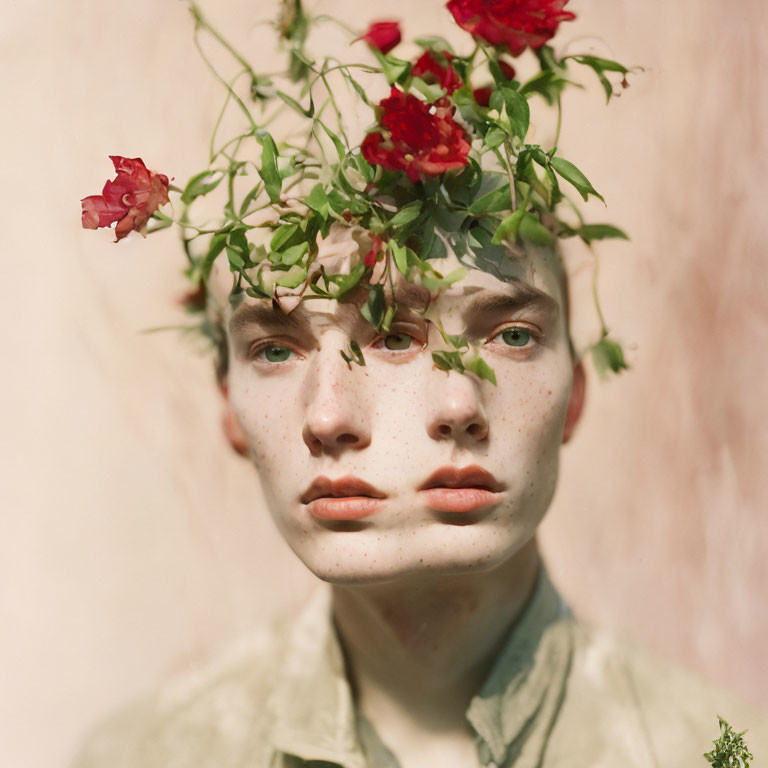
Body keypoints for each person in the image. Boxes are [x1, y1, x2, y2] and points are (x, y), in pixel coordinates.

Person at [72, 227, 766, 768]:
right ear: (229, 409)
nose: (328, 417)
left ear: (575, 397)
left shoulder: (716, 750)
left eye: (512, 336)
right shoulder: (142, 754)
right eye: (276, 349)